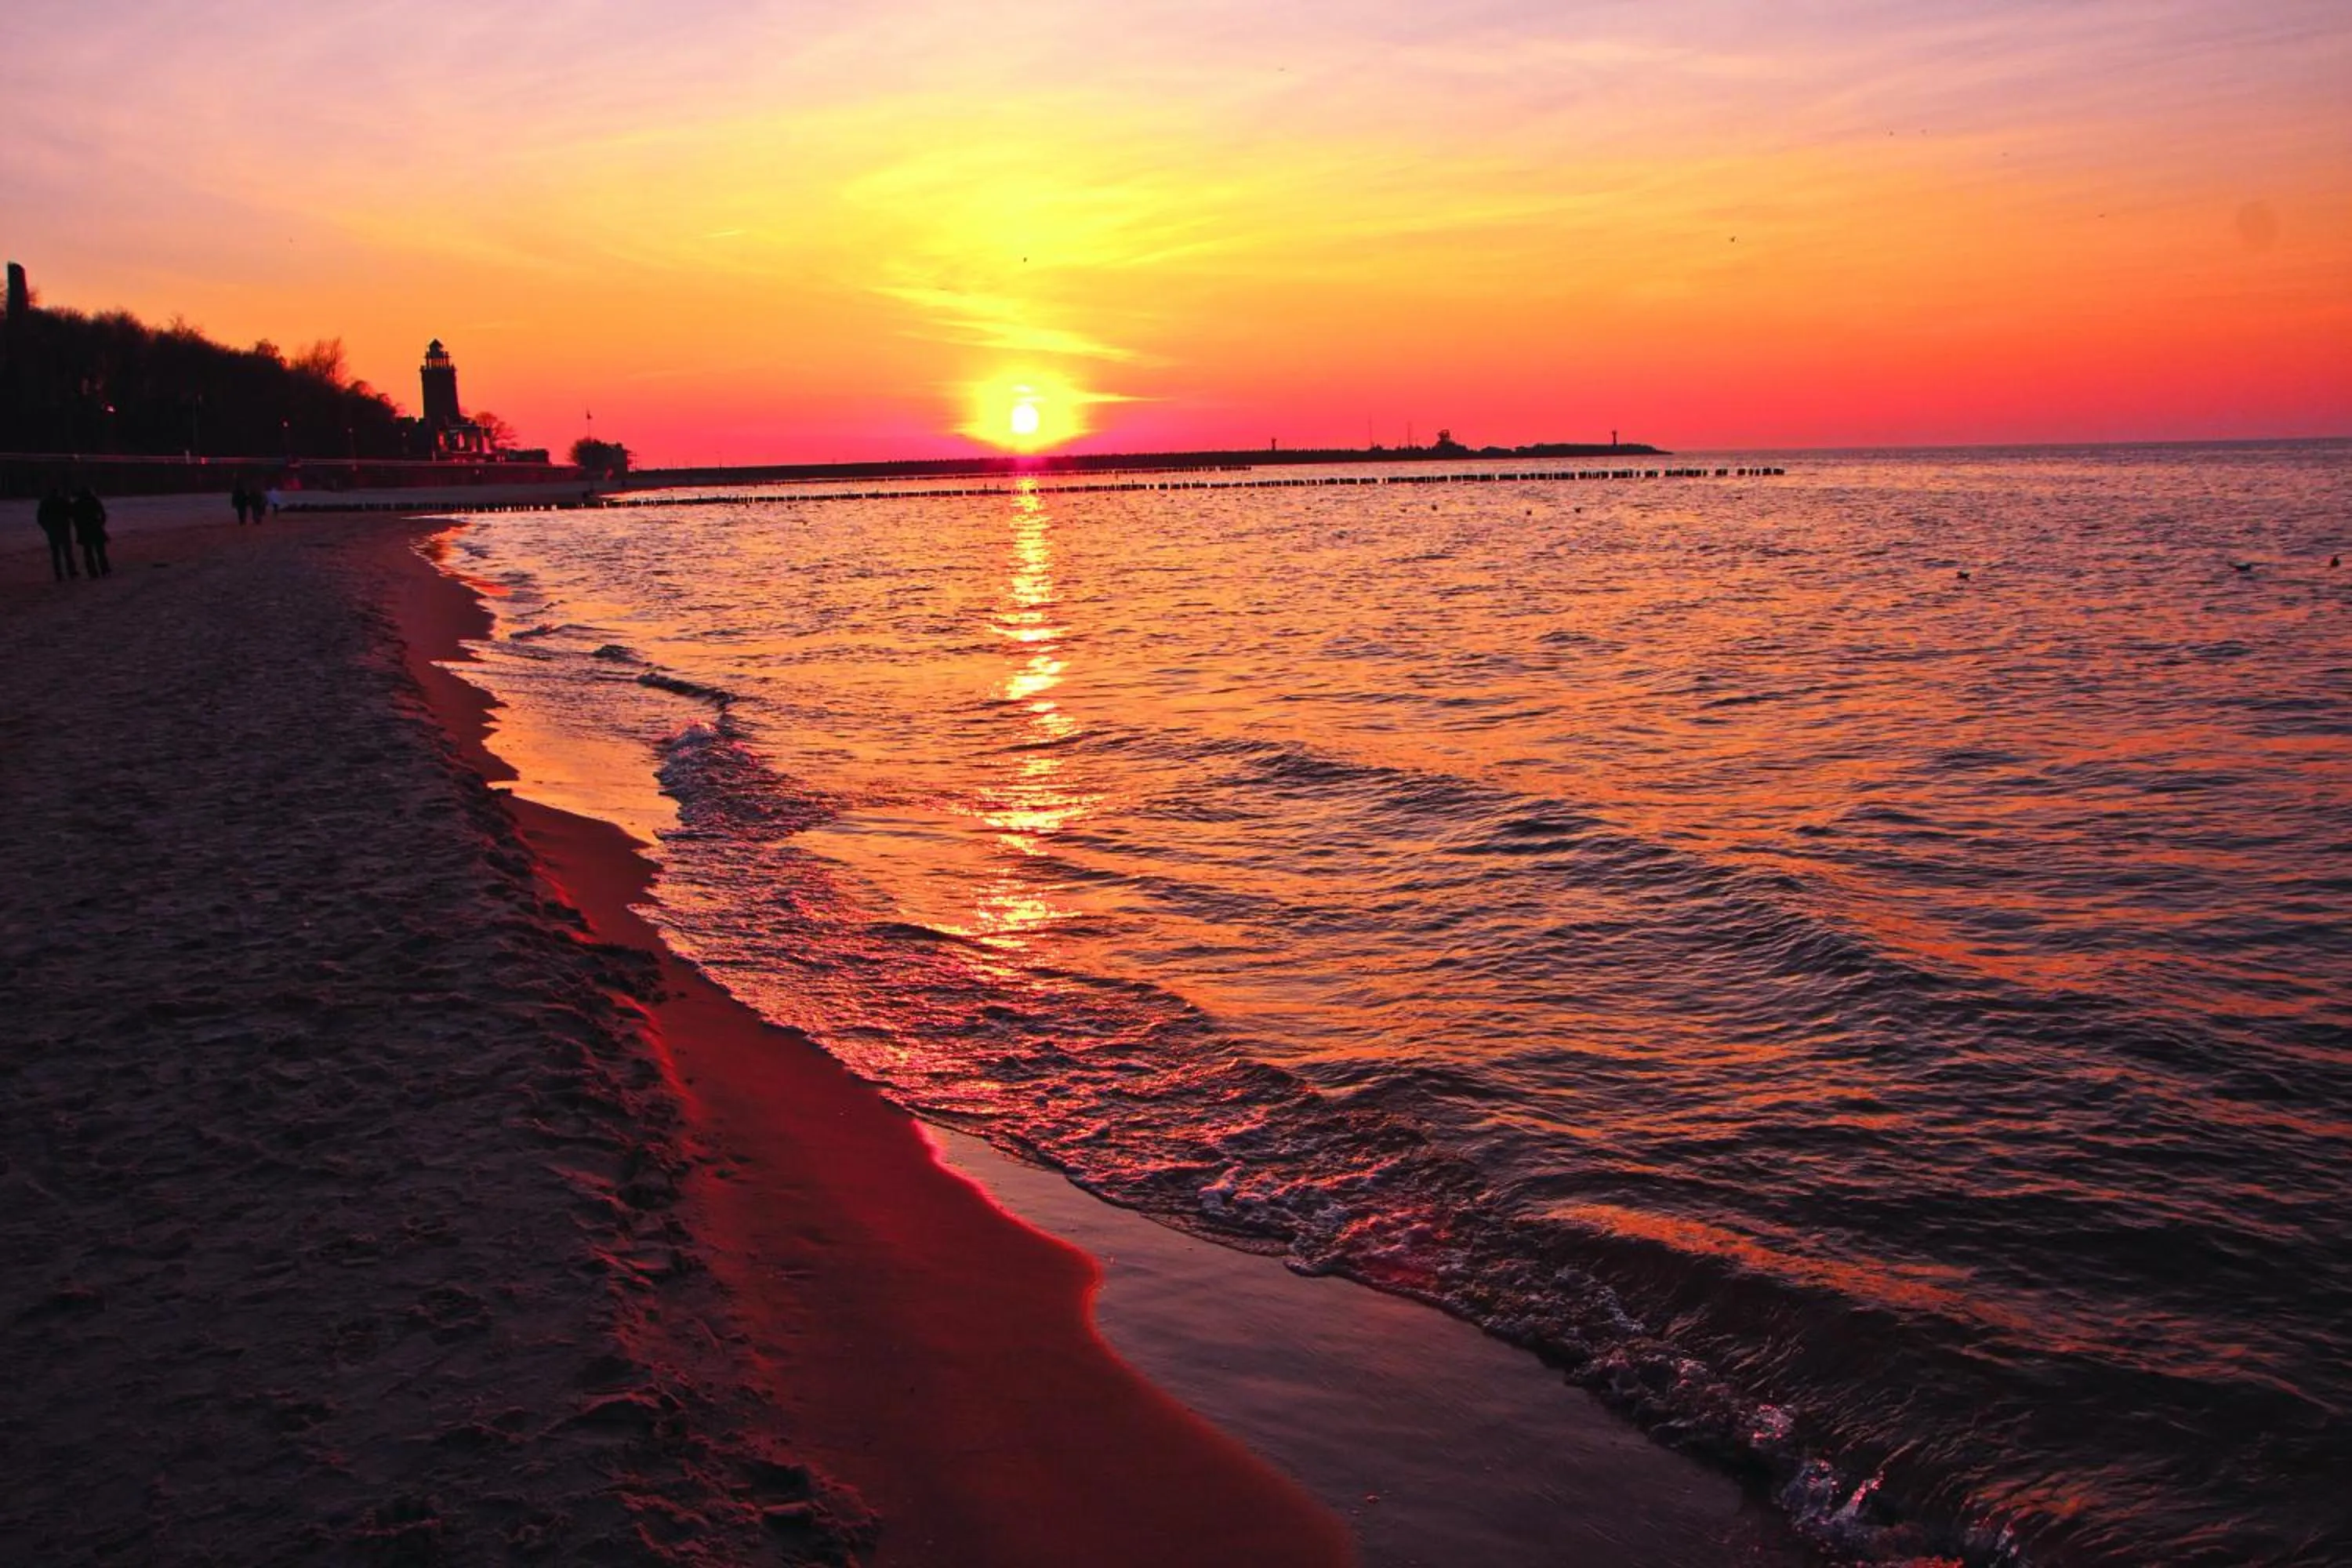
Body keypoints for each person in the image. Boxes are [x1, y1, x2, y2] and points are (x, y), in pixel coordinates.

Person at [37, 488, 78, 581]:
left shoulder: (46, 503)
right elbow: (72, 513)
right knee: (67, 552)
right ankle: (71, 571)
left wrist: (47, 528)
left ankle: (59, 573)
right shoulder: (62, 501)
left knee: (56, 553)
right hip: (63, 529)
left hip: (53, 530)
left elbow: (40, 518)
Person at [71, 487, 111, 578]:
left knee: (88, 552)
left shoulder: (77, 504)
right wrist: (101, 523)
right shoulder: (94, 501)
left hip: (85, 530)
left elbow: (75, 518)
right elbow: (102, 514)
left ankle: (92, 571)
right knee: (100, 551)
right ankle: (104, 569)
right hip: (95, 528)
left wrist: (79, 527)